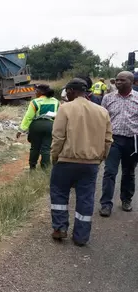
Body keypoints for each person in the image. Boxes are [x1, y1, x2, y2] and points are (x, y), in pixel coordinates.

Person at [50, 78, 112, 246]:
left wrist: (54, 157)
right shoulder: (102, 111)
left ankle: (60, 228)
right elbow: (108, 140)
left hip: (66, 161)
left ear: (70, 91)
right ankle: (81, 237)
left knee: (59, 194)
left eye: (67, 92)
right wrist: (100, 158)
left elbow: (58, 137)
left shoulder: (65, 109)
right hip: (91, 163)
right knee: (86, 198)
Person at [98, 71, 138, 217]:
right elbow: (103, 120)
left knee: (129, 172)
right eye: (117, 80)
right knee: (109, 172)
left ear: (131, 82)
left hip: (132, 141)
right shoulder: (108, 98)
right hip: (113, 140)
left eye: (122, 80)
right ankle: (106, 204)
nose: (118, 82)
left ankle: (126, 200)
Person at [17, 84, 60, 170]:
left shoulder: (35, 102)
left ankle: (32, 167)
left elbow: (28, 117)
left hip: (36, 126)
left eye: (36, 91)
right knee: (46, 148)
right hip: (50, 125)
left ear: (41, 92)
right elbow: (59, 115)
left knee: (35, 148)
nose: (35, 93)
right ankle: (45, 168)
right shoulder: (56, 101)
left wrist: (21, 130)